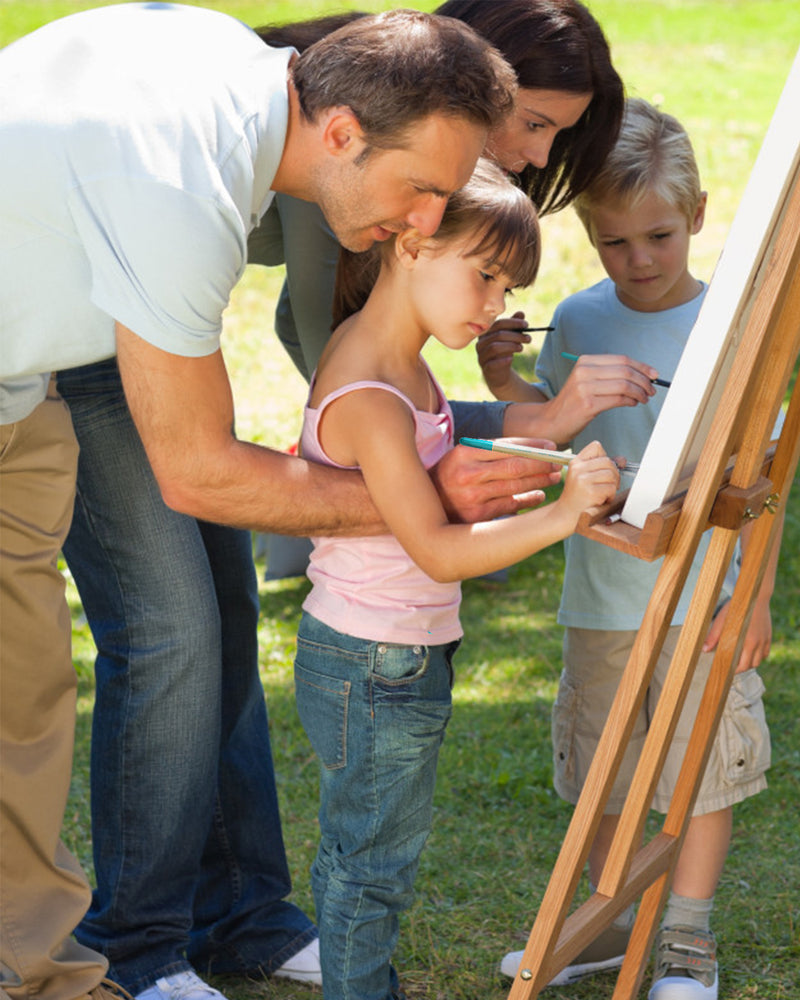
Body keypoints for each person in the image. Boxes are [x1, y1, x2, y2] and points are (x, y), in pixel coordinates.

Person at [0, 7, 533, 1000]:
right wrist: (422, 502)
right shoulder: (177, 180)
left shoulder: (244, 78)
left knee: (22, 708)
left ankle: (44, 970)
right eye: (421, 190)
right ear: (339, 133)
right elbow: (196, 472)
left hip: (23, 393)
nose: (427, 225)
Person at [294, 157, 621, 1000]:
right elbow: (436, 549)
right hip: (375, 661)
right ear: (409, 242)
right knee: (373, 865)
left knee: (365, 855)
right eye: (483, 276)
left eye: (506, 286)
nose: (493, 307)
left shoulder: (401, 355)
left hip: (394, 653)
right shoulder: (371, 387)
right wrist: (559, 514)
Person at [477, 99, 779, 1000]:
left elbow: (762, 477)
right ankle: (607, 924)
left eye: (658, 236)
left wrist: (753, 598)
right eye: (615, 244)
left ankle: (685, 941)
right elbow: (553, 423)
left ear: (697, 215)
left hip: (701, 604)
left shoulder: (734, 324)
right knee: (603, 770)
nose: (639, 261)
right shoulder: (574, 319)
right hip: (599, 597)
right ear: (586, 232)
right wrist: (502, 378)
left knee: (699, 770)